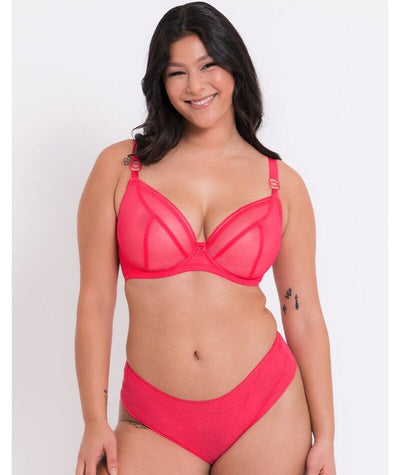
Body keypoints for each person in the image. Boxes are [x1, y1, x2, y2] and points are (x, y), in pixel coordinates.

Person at [74, 2, 336, 474]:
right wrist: (94, 420)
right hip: (153, 419)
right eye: (177, 72)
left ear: (234, 66)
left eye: (208, 65)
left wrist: (327, 436)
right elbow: (95, 301)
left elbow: (304, 316)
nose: (195, 86)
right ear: (160, 81)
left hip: (267, 409)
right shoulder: (120, 168)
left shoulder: (283, 184)